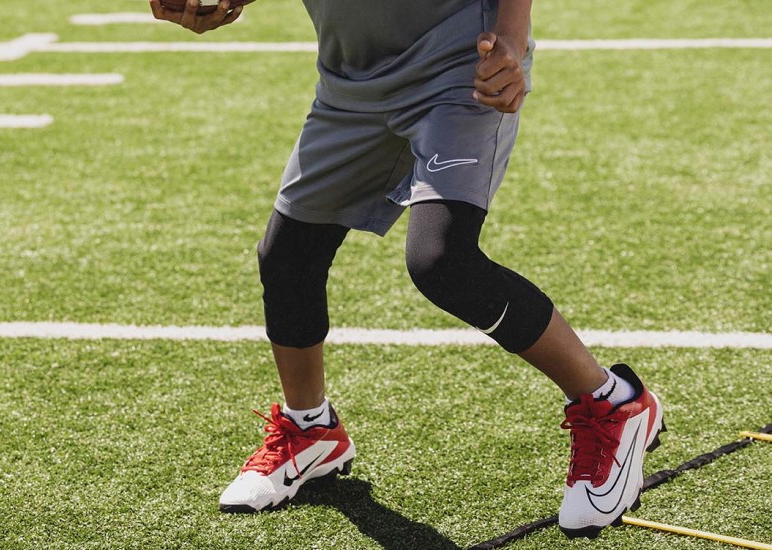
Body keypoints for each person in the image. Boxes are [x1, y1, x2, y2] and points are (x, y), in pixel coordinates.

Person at [150, 0, 665, 539]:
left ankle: (613, 403)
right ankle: (311, 430)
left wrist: (512, 34)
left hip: (461, 66)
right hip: (351, 77)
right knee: (286, 257)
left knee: (443, 261)